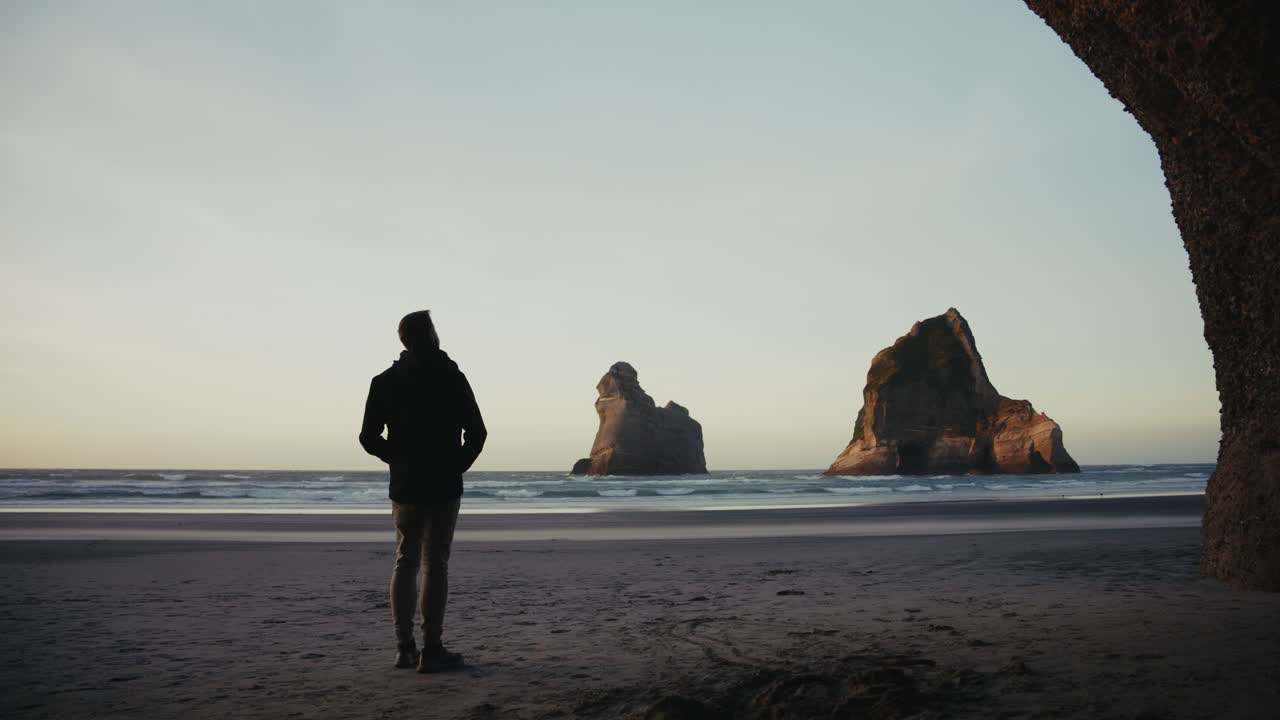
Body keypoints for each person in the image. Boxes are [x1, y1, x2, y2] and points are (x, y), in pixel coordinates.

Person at [359, 310, 487, 673]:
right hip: (443, 485)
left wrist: (397, 458)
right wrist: (456, 464)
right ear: (429, 336)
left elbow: (368, 437)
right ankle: (432, 649)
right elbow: (477, 432)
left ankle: (404, 648)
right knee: (435, 564)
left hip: (405, 485)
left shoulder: (384, 381)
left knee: (405, 561)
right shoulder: (451, 376)